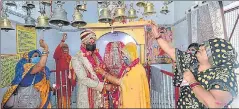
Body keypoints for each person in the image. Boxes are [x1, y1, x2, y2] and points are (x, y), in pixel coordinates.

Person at [151, 23, 238, 108]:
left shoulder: (225, 76)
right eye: (203, 46)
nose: (200, 48)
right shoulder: (193, 62)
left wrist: (192, 81)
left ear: (215, 58)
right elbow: (171, 51)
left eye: (205, 49)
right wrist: (157, 36)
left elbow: (215, 105)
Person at [94, 42, 151, 108]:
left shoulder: (135, 71)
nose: (123, 59)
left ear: (131, 55)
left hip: (133, 103)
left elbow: (119, 82)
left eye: (125, 57)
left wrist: (103, 73)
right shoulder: (137, 67)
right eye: (122, 57)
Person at [1, 39, 51, 108]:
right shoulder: (26, 67)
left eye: (39, 56)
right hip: (26, 102)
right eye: (35, 56)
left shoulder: (42, 72)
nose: (38, 58)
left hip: (36, 102)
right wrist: (45, 48)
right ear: (28, 59)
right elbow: (41, 65)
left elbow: (44, 85)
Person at [71, 29, 112, 108]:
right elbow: (83, 79)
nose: (92, 45)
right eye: (90, 43)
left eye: (93, 43)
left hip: (99, 95)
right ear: (83, 43)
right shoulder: (77, 58)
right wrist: (103, 86)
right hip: (86, 95)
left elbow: (102, 71)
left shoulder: (96, 56)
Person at [53, 33, 76, 108]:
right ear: (61, 50)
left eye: (66, 48)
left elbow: (73, 69)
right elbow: (56, 52)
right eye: (63, 48)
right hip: (59, 81)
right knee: (60, 97)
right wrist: (63, 40)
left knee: (68, 96)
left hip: (68, 82)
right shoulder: (58, 57)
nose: (65, 50)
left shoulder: (70, 58)